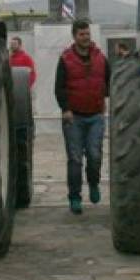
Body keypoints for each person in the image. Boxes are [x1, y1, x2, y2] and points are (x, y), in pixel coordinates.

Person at [54, 19, 110, 214]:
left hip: (95, 116)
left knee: (95, 156)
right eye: (82, 34)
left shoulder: (101, 58)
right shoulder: (65, 59)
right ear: (74, 36)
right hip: (73, 118)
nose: (86, 37)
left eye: (87, 33)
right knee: (75, 160)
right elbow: (59, 88)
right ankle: (75, 198)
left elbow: (109, 83)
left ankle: (94, 184)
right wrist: (65, 109)